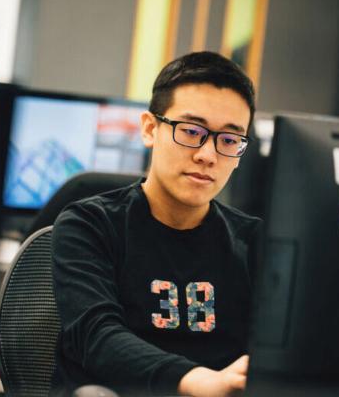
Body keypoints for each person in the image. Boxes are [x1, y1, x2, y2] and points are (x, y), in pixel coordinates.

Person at [51, 51, 261, 397]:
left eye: (228, 140)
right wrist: (198, 380)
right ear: (150, 129)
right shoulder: (90, 224)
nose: (207, 155)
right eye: (192, 131)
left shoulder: (253, 241)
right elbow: (97, 337)